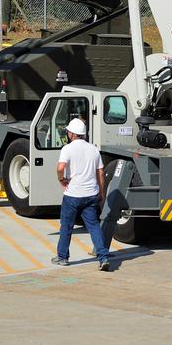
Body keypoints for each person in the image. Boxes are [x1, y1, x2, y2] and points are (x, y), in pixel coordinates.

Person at [51, 116, 112, 270]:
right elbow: (100, 172)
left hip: (72, 195)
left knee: (66, 226)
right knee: (93, 226)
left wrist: (61, 180)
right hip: (90, 194)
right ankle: (103, 257)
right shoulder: (93, 149)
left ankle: (62, 257)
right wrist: (101, 192)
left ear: (71, 134)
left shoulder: (67, 149)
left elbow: (60, 168)